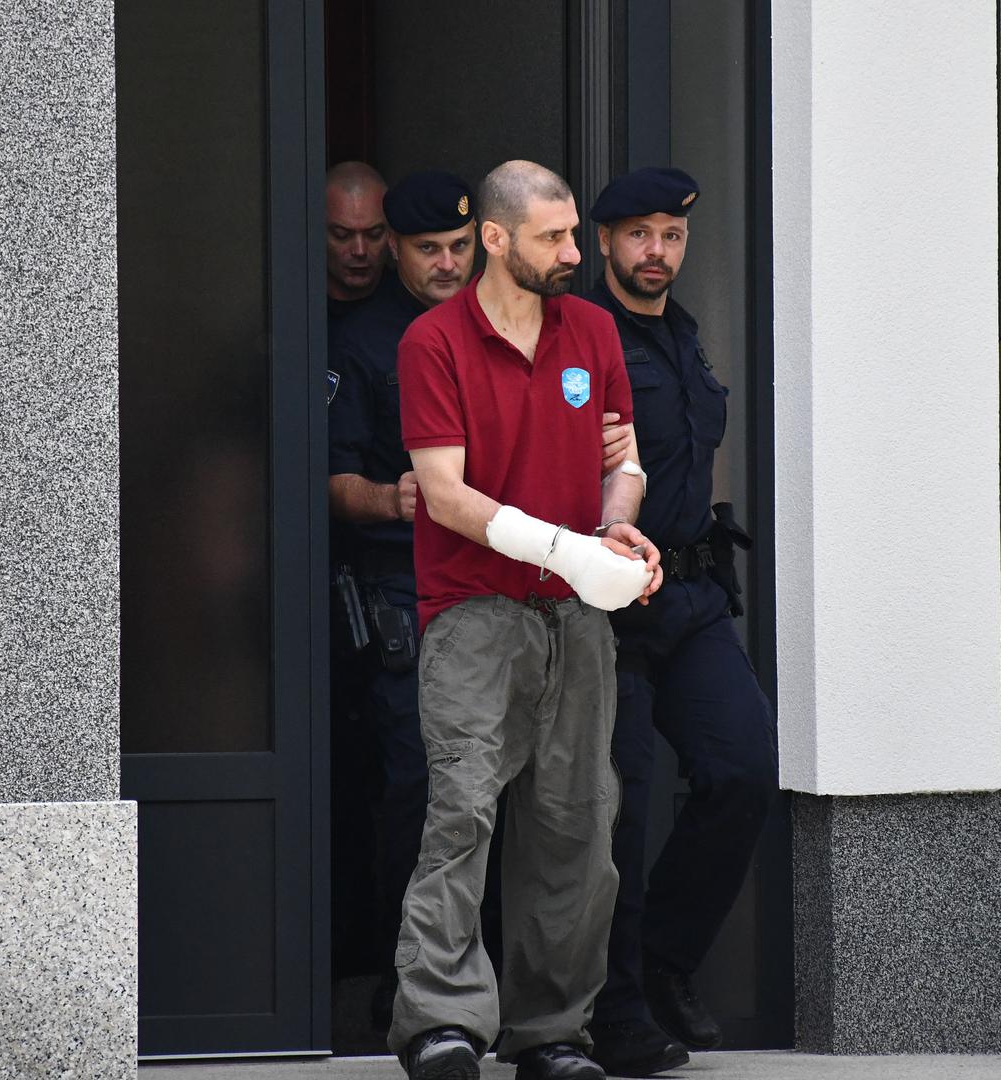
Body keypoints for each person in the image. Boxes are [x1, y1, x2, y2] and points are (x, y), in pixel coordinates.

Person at [389, 159, 663, 1080]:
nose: (575, 252)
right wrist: (570, 552)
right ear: (497, 239)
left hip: (575, 619)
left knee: (577, 826)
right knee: (462, 814)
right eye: (554, 237)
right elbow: (443, 494)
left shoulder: (593, 330)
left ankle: (551, 1032)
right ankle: (441, 1024)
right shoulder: (433, 341)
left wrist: (617, 530)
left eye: (574, 233)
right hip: (473, 613)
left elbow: (623, 462)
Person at [582, 167, 779, 1078]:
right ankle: (611, 1010)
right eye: (639, 234)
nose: (656, 251)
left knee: (742, 770)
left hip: (692, 599)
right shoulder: (580, 338)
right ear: (605, 241)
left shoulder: (685, 337)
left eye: (672, 234)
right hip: (609, 605)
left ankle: (662, 961)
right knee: (613, 810)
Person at [328, 169, 479, 1031]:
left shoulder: (503, 323)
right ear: (397, 249)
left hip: (502, 588)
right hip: (404, 588)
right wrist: (393, 499)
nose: (447, 264)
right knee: (416, 787)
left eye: (460, 247)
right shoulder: (362, 340)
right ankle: (406, 980)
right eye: (429, 250)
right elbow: (328, 479)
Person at [326, 161, 389, 322]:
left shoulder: (413, 312)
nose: (360, 250)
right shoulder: (293, 306)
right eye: (342, 235)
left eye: (374, 235)